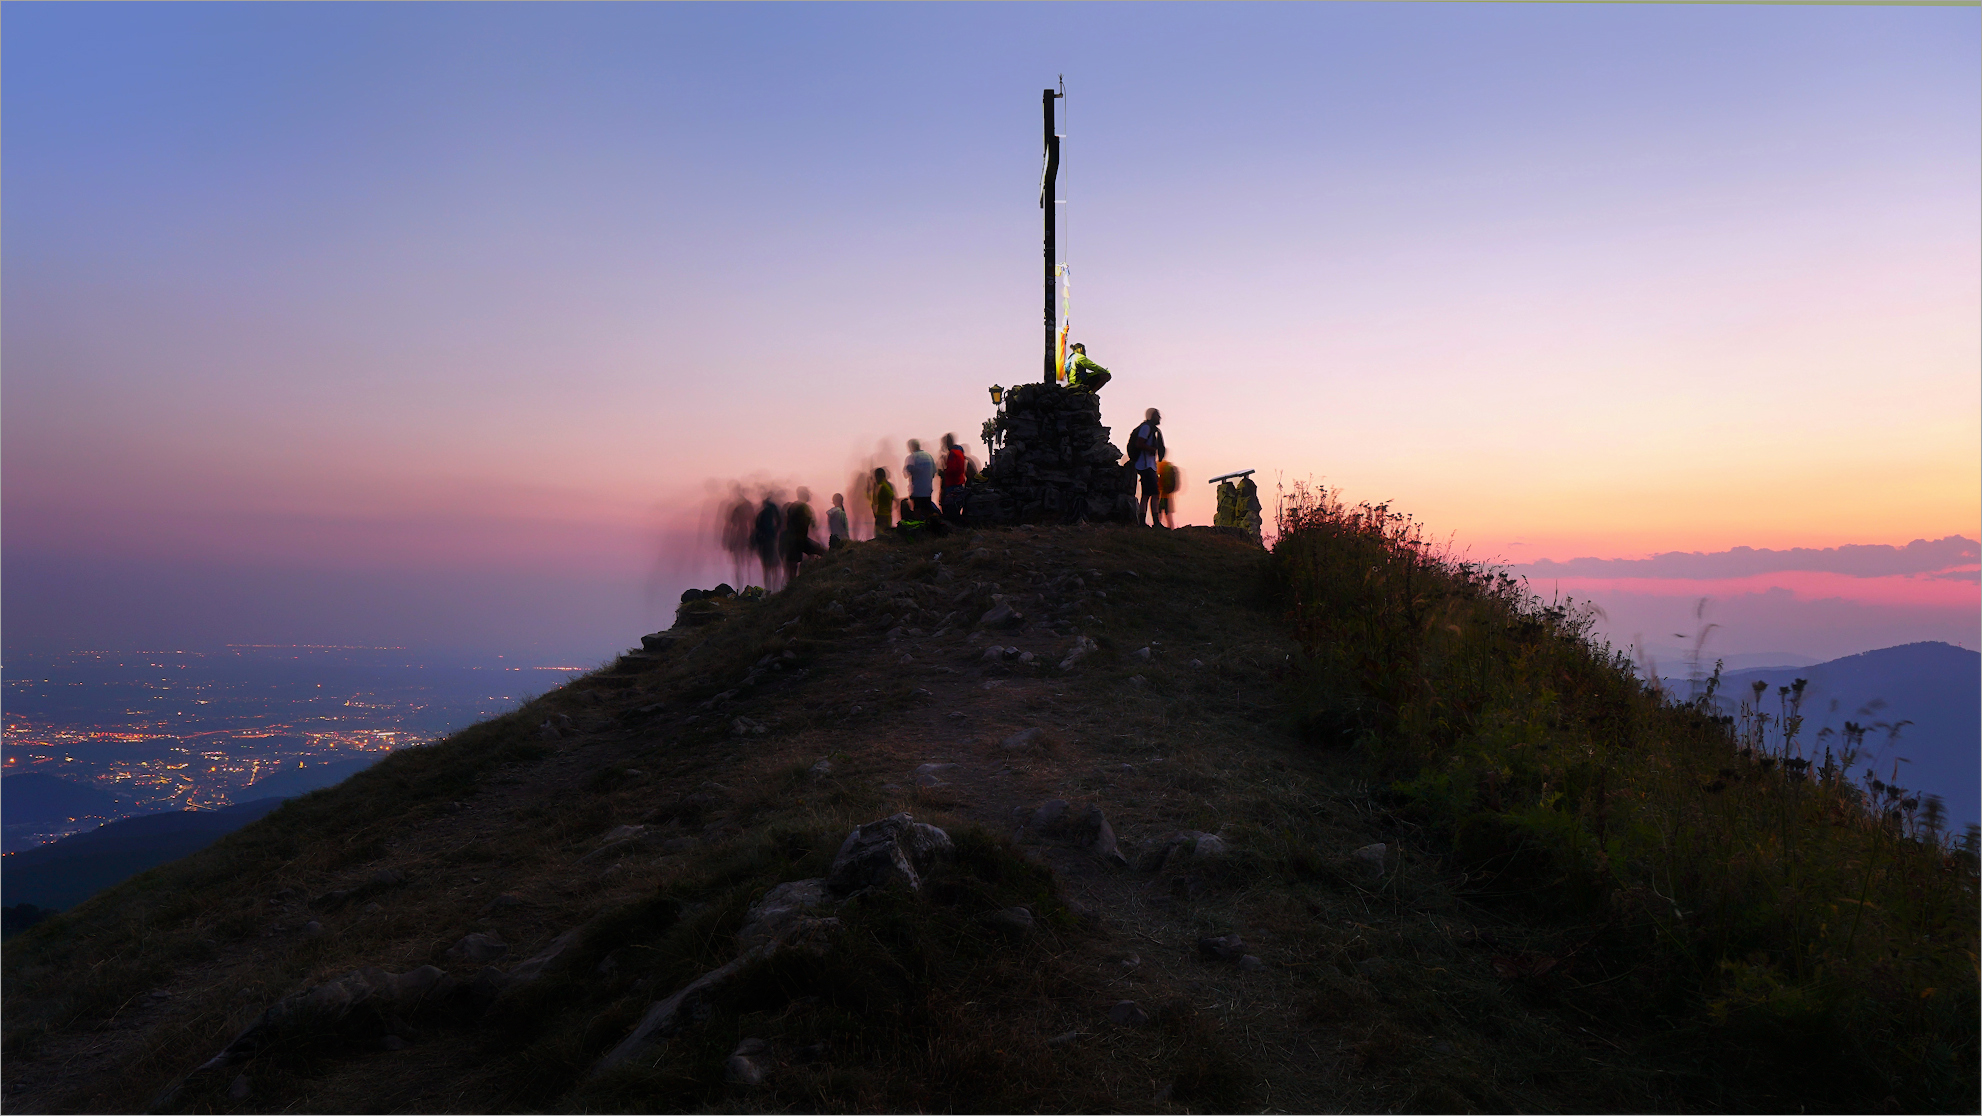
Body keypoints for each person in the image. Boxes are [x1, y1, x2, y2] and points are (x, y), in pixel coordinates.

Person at [1128, 408, 1166, 527]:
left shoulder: (1151, 429)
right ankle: (1152, 522)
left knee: (1148, 494)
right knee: (1152, 494)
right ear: (1152, 416)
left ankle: (1145, 522)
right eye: (1157, 415)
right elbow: (1139, 443)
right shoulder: (1146, 428)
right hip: (1145, 465)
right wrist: (1153, 450)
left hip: (1149, 465)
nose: (1159, 418)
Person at [782, 487, 827, 582]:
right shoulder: (805, 508)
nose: (809, 496)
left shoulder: (792, 506)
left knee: (792, 567)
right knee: (824, 553)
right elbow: (814, 527)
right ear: (804, 495)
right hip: (799, 540)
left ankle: (791, 587)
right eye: (807, 494)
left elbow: (786, 524)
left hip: (792, 540)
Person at [752, 494, 785, 590]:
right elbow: (778, 523)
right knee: (775, 566)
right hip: (770, 541)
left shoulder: (761, 514)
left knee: (767, 567)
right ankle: (775, 589)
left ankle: (769, 589)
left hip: (763, 542)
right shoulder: (773, 512)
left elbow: (757, 528)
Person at [903, 439, 938, 519]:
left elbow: (906, 474)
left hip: (917, 491)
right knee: (927, 511)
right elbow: (934, 472)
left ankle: (919, 528)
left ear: (911, 447)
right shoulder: (928, 456)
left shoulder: (911, 457)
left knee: (917, 511)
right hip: (927, 490)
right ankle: (928, 529)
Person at [938, 433, 969, 520]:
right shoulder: (960, 453)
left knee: (950, 509)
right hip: (959, 483)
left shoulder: (952, 453)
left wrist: (944, 473)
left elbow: (952, 470)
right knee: (956, 508)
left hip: (952, 484)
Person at [1157, 459, 1182, 529]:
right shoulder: (1167, 465)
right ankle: (1171, 527)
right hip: (1167, 494)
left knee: (1159, 512)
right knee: (1168, 514)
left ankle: (1158, 527)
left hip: (1161, 494)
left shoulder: (1159, 465)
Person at [870, 467, 896, 533]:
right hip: (885, 515)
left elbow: (875, 502)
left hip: (882, 516)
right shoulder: (885, 486)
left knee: (880, 535)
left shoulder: (882, 486)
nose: (875, 479)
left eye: (875, 476)